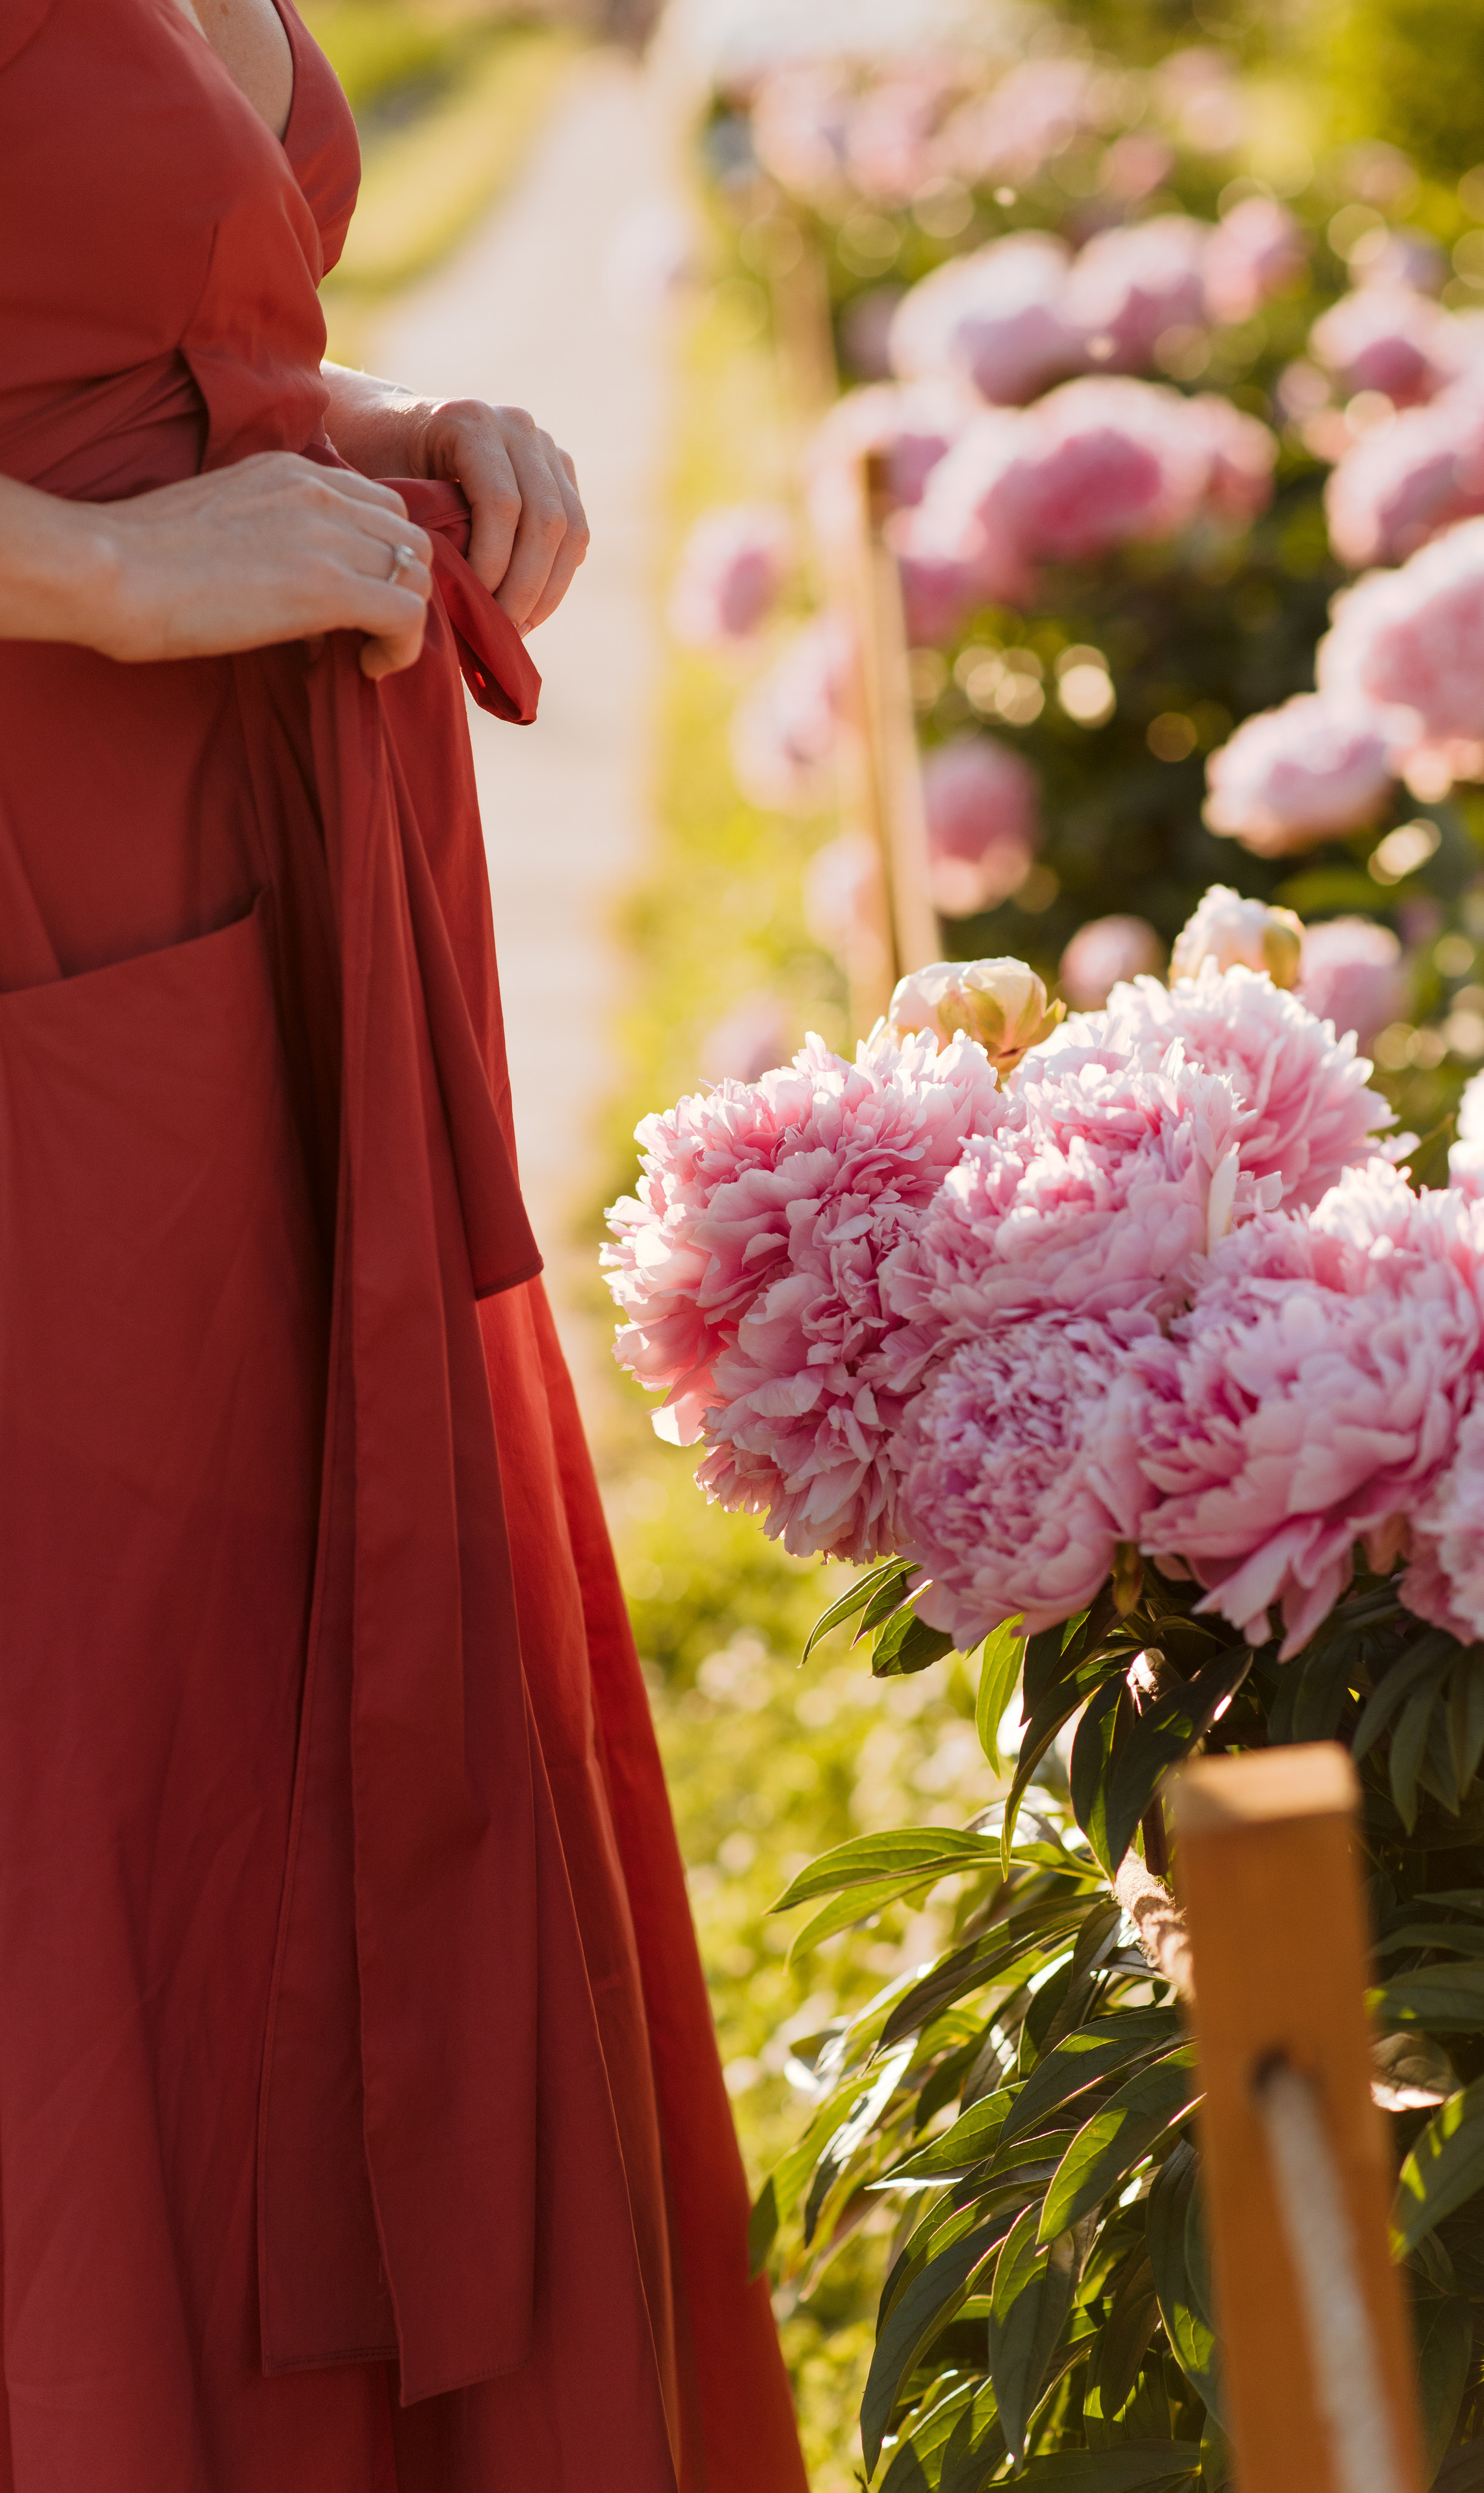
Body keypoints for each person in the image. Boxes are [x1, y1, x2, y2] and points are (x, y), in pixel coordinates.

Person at [0, 3, 807, 2486]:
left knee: (294, 1751)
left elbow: (115, 345)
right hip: (50, 918)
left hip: (263, 928)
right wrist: (111, 573)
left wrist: (375, 430)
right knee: (111, 1791)